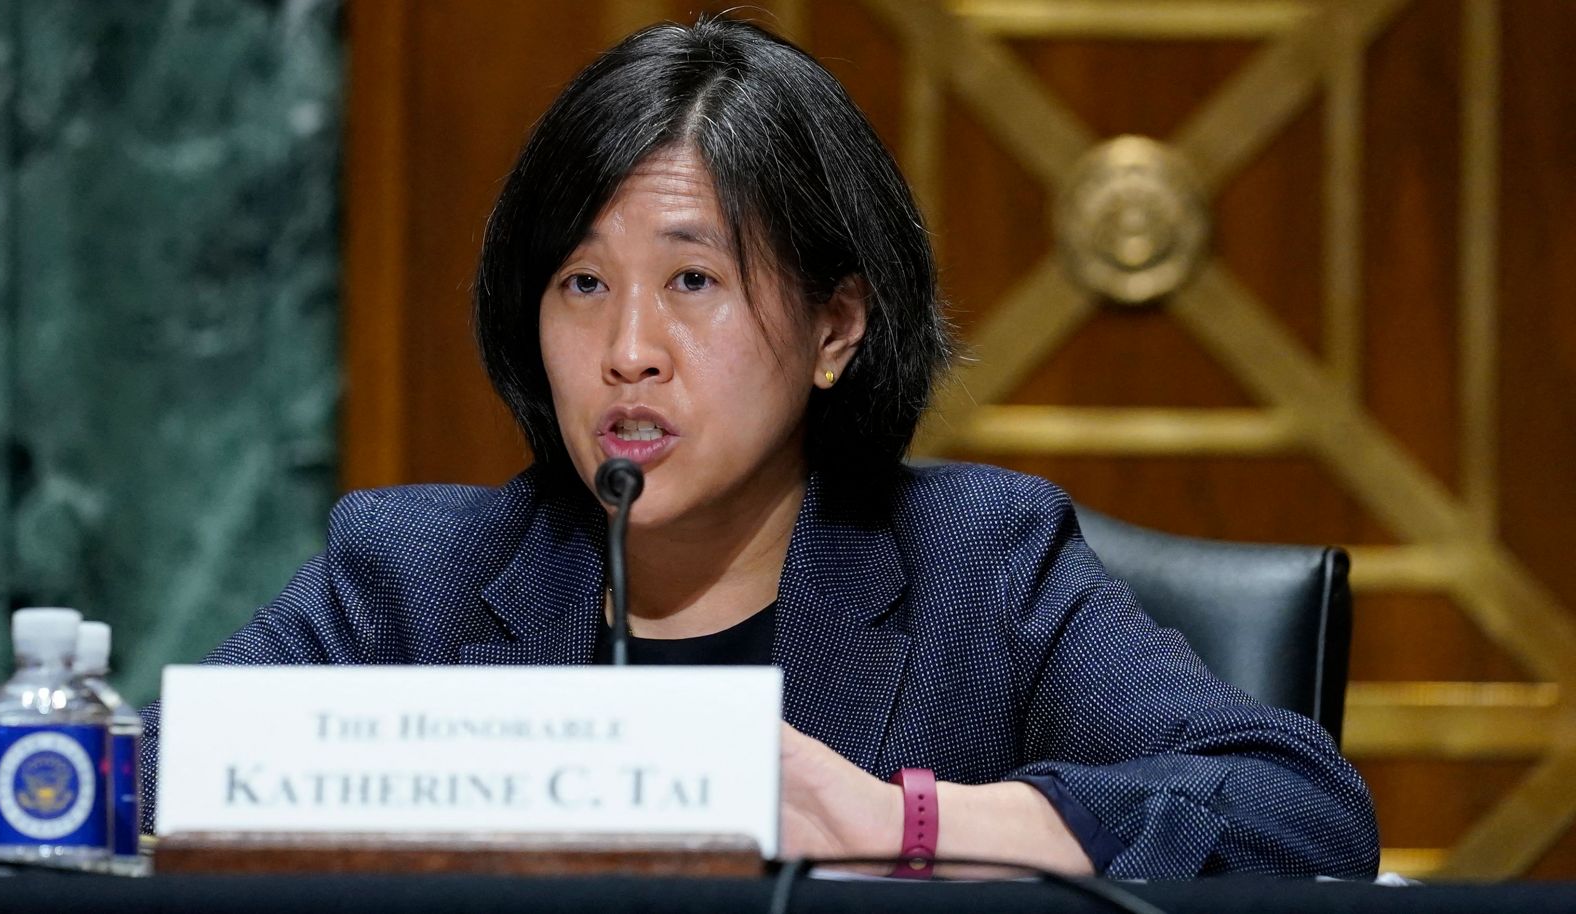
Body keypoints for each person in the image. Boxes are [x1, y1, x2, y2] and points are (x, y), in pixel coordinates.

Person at [139, 16, 1379, 879]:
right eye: (579, 283)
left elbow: (1298, 807)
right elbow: (145, 784)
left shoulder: (978, 565)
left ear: (836, 325)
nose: (629, 349)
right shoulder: (414, 570)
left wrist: (910, 820)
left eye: (692, 279)